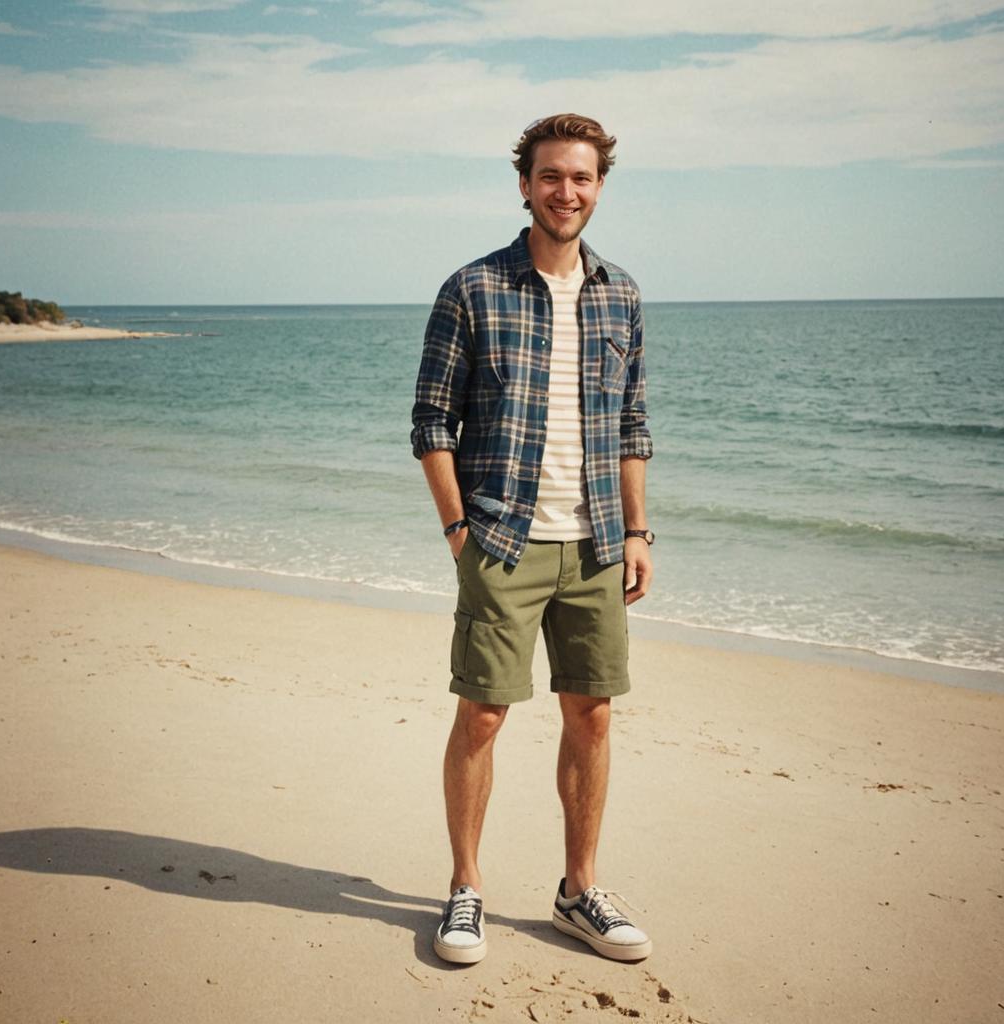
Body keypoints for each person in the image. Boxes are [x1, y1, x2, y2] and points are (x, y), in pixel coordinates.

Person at [410, 113, 654, 965]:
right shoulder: (473, 288)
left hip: (594, 543)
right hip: (502, 540)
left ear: (598, 188)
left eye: (582, 177)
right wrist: (457, 532)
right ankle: (465, 889)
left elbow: (631, 424)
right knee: (481, 716)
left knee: (591, 714)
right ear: (525, 184)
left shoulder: (620, 292)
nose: (567, 191)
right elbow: (432, 421)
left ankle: (576, 890)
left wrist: (637, 531)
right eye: (551, 176)